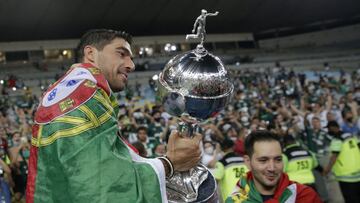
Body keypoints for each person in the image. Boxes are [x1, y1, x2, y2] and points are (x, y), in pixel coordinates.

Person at [26, 29, 202, 203]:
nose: (131, 65)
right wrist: (170, 163)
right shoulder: (85, 96)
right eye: (121, 54)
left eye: (131, 58)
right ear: (90, 54)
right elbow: (104, 189)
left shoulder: (68, 90)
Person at [226, 130, 322, 203]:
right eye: (263, 160)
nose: (272, 168)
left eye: (278, 160)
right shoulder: (234, 201)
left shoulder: (305, 196)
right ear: (248, 162)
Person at [323, 121, 360, 203]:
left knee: (350, 199)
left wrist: (327, 170)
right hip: (358, 173)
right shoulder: (351, 135)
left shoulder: (337, 139)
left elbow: (334, 156)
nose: (328, 131)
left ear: (332, 128)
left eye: (329, 129)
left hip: (346, 176)